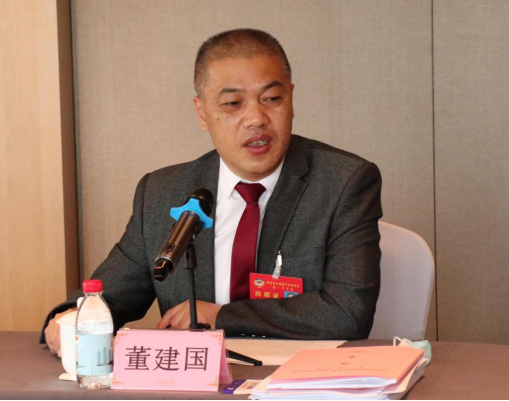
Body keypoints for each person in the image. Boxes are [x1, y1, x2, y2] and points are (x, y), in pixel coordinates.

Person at [43, 28, 383, 357]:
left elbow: (347, 312)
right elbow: (110, 295)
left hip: (298, 379)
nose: (256, 118)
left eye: (272, 99)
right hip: (193, 379)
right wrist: (71, 318)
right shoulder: (163, 192)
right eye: (233, 103)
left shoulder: (342, 183)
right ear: (202, 112)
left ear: (291, 100)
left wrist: (221, 316)